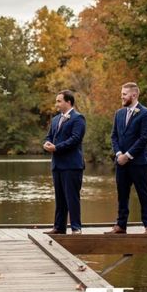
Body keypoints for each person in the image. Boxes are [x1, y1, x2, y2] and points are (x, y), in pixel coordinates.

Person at [105, 82, 147, 234]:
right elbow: (114, 136)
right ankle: (121, 225)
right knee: (122, 194)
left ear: (134, 95)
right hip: (121, 162)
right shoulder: (119, 113)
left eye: (124, 94)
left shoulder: (145, 113)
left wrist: (128, 155)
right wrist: (119, 154)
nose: (122, 96)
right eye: (122, 94)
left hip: (139, 162)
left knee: (143, 194)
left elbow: (144, 138)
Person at [43, 90, 86, 235]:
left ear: (68, 102)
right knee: (60, 198)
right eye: (56, 101)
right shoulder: (55, 120)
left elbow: (75, 139)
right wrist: (47, 144)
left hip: (72, 165)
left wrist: (56, 148)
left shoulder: (78, 118)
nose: (56, 104)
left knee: (72, 197)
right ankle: (59, 227)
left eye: (59, 101)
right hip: (57, 165)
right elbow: (49, 136)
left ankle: (76, 228)